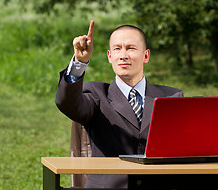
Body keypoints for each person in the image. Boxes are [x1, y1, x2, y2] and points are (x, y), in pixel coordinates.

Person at [55, 20, 183, 188]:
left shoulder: (171, 96)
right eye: (117, 49)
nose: (123, 55)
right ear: (110, 56)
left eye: (131, 48)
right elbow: (67, 103)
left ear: (146, 56)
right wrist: (79, 62)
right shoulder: (96, 93)